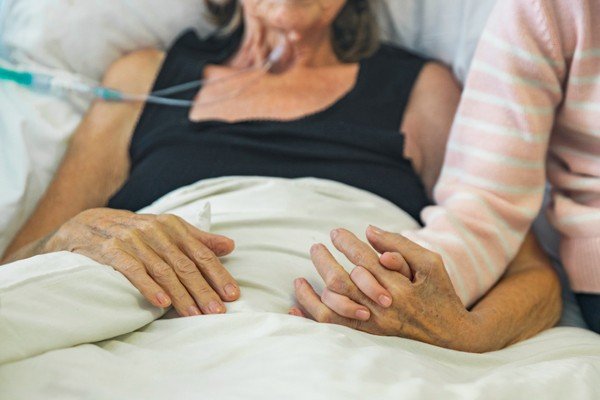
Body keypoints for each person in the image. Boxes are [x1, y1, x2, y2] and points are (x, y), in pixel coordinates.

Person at [0, 0, 561, 351]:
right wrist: (85, 234)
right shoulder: (142, 78)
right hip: (155, 329)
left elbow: (533, 276)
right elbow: (20, 260)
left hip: (350, 339)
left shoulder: (421, 88)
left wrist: (463, 334)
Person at [297, 0, 600, 335]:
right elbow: (487, 201)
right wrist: (399, 281)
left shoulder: (415, 86)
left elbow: (521, 255)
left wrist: (463, 325)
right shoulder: (550, 10)